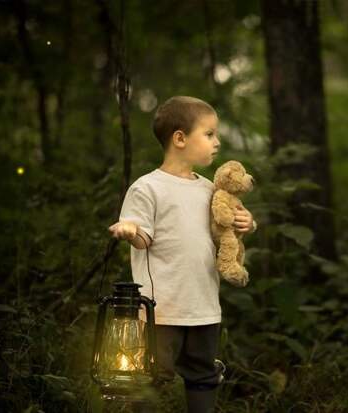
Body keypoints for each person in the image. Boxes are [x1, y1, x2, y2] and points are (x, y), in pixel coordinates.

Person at [107, 96, 257, 412]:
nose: (217, 142)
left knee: (203, 373)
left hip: (203, 304)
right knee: (151, 376)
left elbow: (222, 233)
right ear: (179, 138)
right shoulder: (148, 188)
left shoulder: (209, 190)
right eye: (209, 134)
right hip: (160, 309)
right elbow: (143, 237)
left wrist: (245, 222)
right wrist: (130, 231)